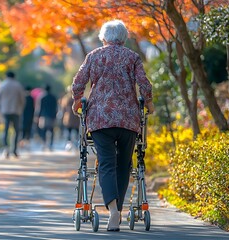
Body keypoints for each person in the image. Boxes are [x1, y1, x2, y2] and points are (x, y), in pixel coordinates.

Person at [71, 20, 154, 231]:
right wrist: (149, 101)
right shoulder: (132, 57)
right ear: (124, 38)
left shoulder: (94, 56)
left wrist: (76, 99)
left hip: (101, 119)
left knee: (106, 164)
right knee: (124, 164)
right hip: (128, 119)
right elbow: (144, 83)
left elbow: (78, 82)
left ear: (103, 37)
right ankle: (118, 209)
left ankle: (114, 212)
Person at [0, 71, 25, 159]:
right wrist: (21, 108)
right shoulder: (18, 85)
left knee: (5, 130)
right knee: (16, 130)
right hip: (15, 110)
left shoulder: (2, 85)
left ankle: (6, 148)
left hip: (5, 110)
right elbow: (22, 99)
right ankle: (14, 149)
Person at [36, 84, 58, 151]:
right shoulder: (53, 97)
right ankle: (50, 144)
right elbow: (55, 107)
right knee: (51, 130)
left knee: (43, 131)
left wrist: (38, 116)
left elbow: (39, 108)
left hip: (43, 116)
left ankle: (44, 143)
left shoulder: (42, 97)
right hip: (51, 116)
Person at [60, 86, 80, 150]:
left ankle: (69, 144)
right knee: (76, 131)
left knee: (69, 131)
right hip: (76, 117)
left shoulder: (65, 98)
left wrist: (62, 117)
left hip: (68, 117)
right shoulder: (77, 98)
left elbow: (63, 109)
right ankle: (76, 143)